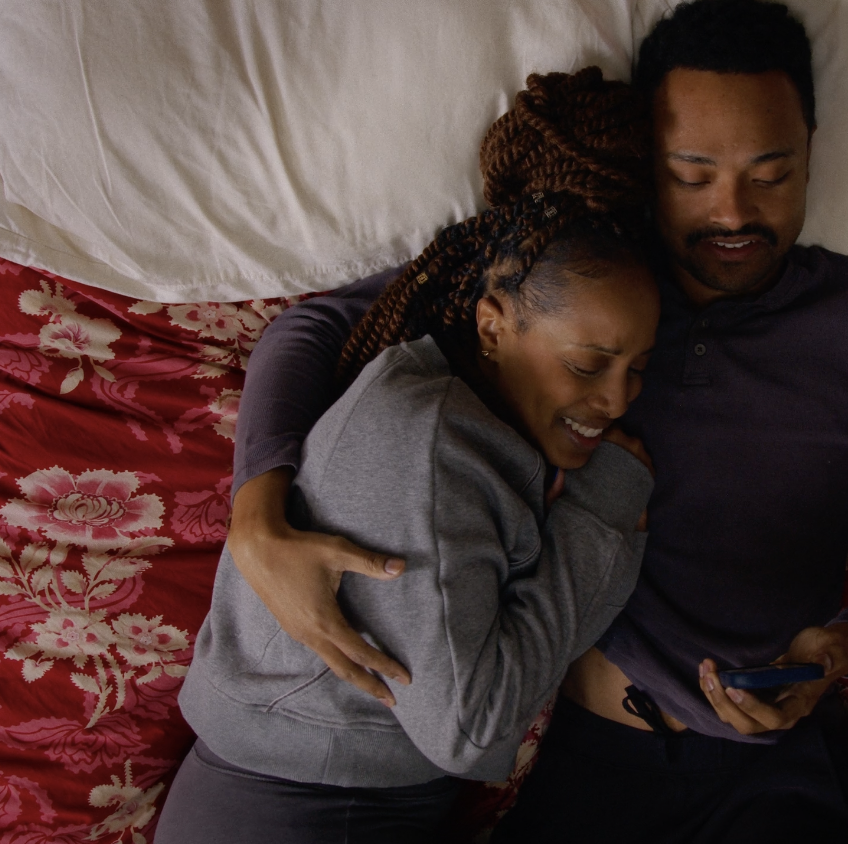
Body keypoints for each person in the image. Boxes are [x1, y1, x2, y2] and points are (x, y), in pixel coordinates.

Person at [225, 1, 848, 841]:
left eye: (772, 174)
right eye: (693, 175)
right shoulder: (583, 289)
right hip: (585, 763)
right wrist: (257, 514)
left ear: (812, 153)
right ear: (649, 166)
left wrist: (847, 646)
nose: (732, 214)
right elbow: (312, 329)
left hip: (767, 765)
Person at [155, 68, 660, 843]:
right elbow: (467, 724)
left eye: (640, 370)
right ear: (494, 321)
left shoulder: (463, 363)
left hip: (327, 788)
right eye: (591, 365)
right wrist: (600, 513)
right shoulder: (433, 441)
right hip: (303, 803)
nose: (622, 398)